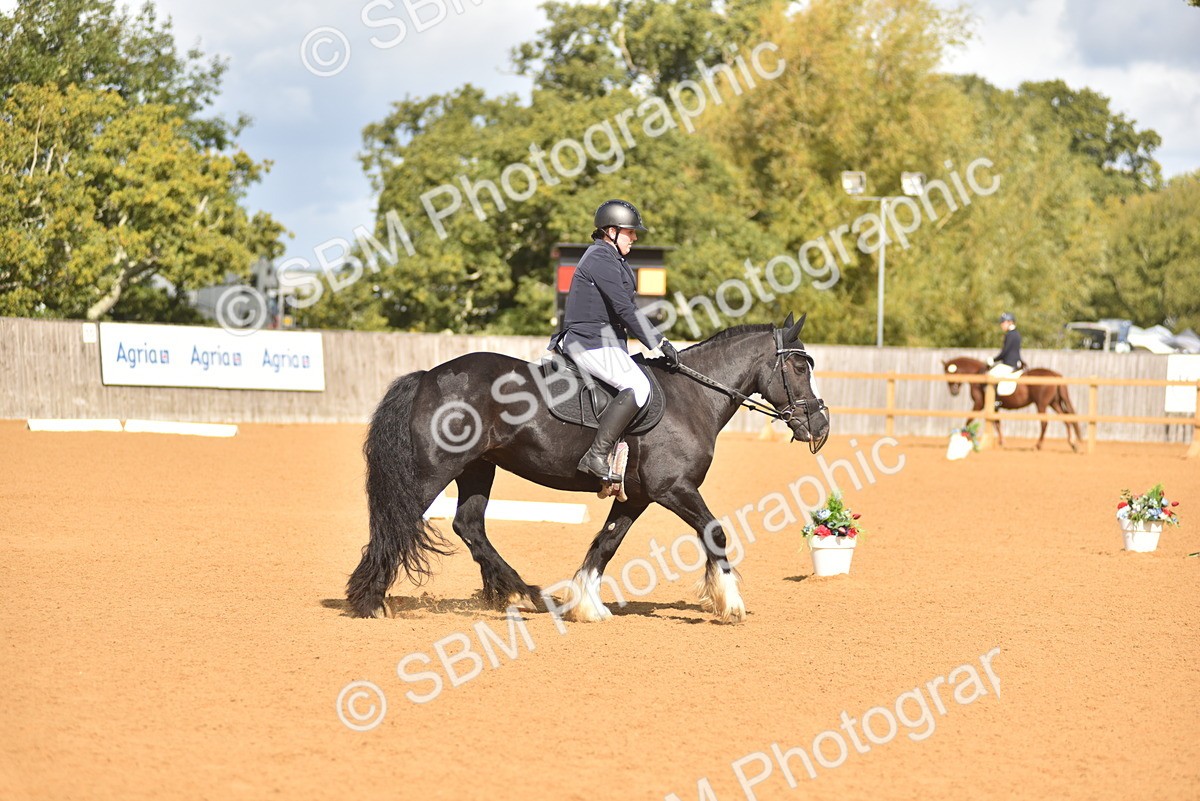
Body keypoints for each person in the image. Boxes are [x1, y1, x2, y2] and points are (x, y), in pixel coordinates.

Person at [548, 199, 680, 479]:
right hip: (589, 342)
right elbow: (624, 309)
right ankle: (596, 455)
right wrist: (659, 342)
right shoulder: (599, 259)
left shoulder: (612, 259)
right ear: (611, 231)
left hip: (603, 342)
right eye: (630, 232)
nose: (634, 237)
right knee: (637, 386)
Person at [987, 311, 1024, 398]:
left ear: (1010, 322)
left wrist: (993, 360)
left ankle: (995, 400)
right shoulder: (1017, 334)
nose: (1001, 325)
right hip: (1015, 362)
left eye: (1003, 322)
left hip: (1009, 363)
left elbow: (1005, 352)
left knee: (990, 375)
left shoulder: (1010, 335)